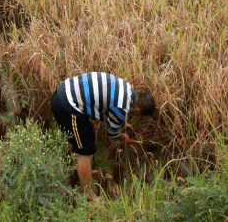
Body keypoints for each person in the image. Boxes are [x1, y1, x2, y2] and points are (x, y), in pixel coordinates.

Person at [51, 72, 156, 202]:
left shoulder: (127, 89)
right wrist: (123, 137)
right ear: (138, 111)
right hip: (67, 105)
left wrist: (121, 124)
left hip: (66, 91)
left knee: (86, 141)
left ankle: (83, 176)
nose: (135, 116)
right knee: (85, 151)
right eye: (138, 116)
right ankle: (89, 196)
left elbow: (109, 109)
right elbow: (112, 133)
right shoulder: (120, 107)